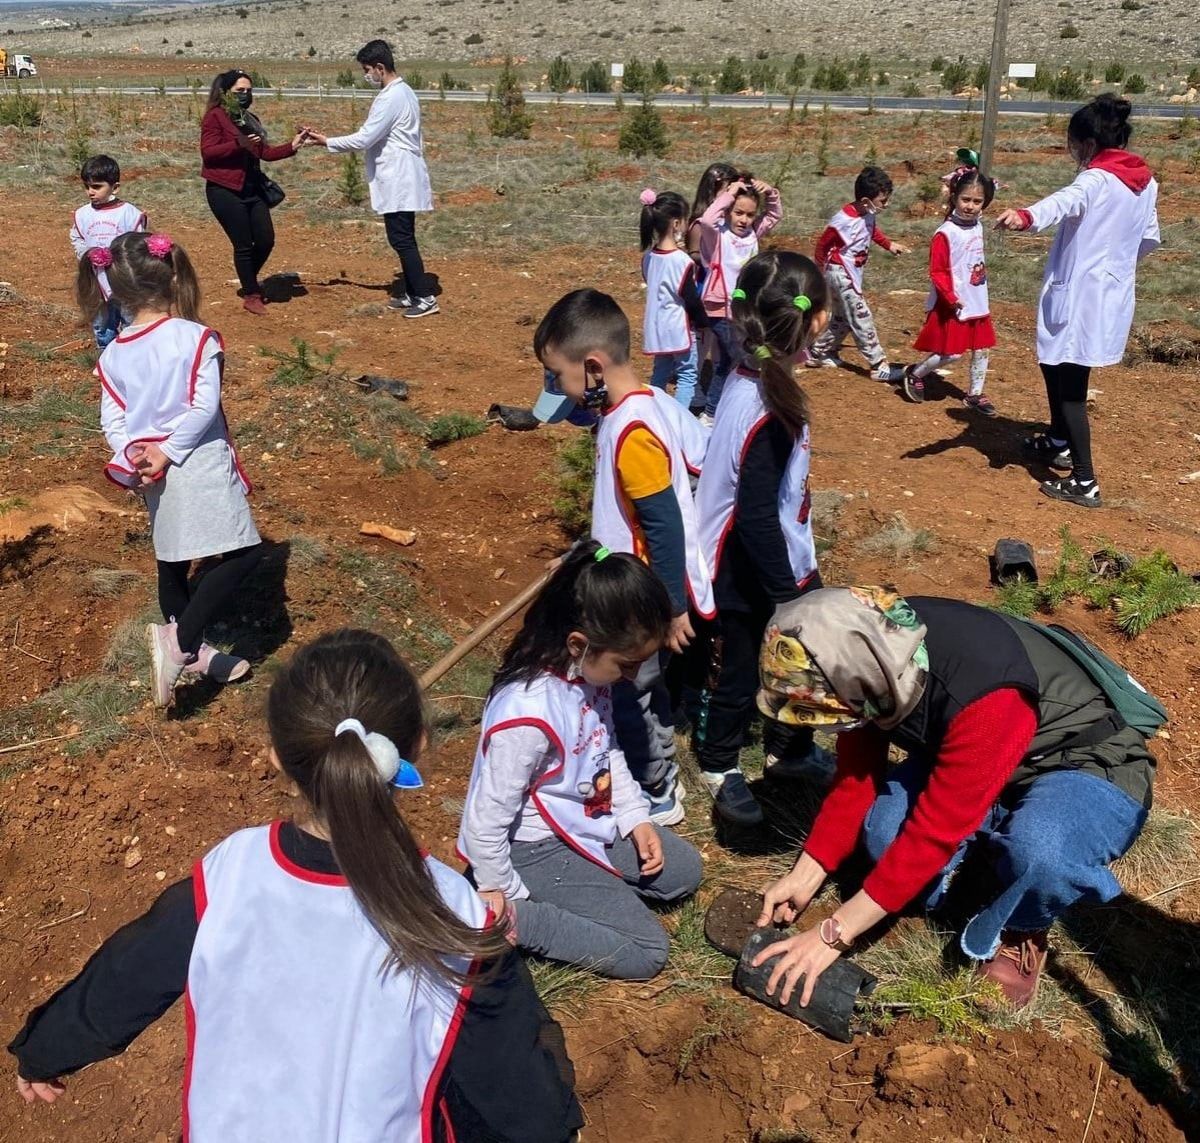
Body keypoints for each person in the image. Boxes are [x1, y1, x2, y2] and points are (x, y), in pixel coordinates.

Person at [10, 629, 584, 1143]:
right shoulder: (456, 915)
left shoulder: (227, 878)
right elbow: (519, 1097)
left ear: (276, 760)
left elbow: (124, 979)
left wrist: (43, 1051)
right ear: (420, 749)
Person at [753, 586, 1155, 1009]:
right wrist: (808, 871)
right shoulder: (868, 654)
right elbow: (856, 777)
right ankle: (991, 860)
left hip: (1081, 759)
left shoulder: (984, 691)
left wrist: (833, 933)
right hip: (985, 758)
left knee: (1042, 854)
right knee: (883, 836)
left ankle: (1021, 926)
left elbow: (933, 832)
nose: (831, 727)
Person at [457, 544, 704, 980]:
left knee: (685, 871)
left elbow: (604, 749)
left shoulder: (587, 675)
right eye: (627, 665)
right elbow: (486, 819)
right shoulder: (528, 715)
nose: (631, 676)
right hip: (532, 848)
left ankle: (593, 884)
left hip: (585, 817)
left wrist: (635, 818)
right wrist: (503, 887)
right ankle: (517, 920)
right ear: (578, 643)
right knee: (646, 952)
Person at [531, 289, 712, 824]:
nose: (555, 387)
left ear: (592, 368)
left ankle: (657, 791)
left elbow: (663, 522)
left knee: (636, 696)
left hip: (638, 598)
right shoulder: (645, 404)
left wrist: (673, 606)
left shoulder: (633, 432)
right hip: (630, 581)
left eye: (558, 375)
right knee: (636, 688)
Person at [88, 232, 263, 703]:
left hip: (151, 468)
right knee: (244, 554)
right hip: (195, 459)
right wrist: (168, 452)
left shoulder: (113, 353)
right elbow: (205, 405)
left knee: (173, 561)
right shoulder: (196, 337)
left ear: (117, 291)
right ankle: (181, 642)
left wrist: (135, 455)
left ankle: (194, 650)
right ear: (173, 278)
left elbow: (113, 418)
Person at [691, 251, 832, 828]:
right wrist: (788, 595)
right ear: (815, 322)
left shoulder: (748, 376)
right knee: (741, 666)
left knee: (802, 660)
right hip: (743, 565)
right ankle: (720, 763)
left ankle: (790, 749)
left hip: (778, 553)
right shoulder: (770, 406)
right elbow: (752, 515)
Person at [996, 94, 1160, 509]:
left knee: (1070, 384)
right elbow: (1149, 240)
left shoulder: (1095, 179)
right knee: (1053, 362)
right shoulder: (1146, 182)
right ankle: (1057, 440)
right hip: (1109, 294)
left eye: (1072, 143)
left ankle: (1084, 480)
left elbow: (1062, 202)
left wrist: (1026, 216)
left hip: (1081, 296)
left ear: (1087, 143)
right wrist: (1115, 269)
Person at [302, 40, 438, 319]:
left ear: (380, 67)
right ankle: (414, 292)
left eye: (367, 70)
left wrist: (326, 141)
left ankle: (425, 298)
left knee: (402, 239)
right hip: (402, 172)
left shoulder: (391, 97)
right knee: (402, 236)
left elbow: (365, 137)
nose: (367, 75)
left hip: (399, 174)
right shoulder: (405, 92)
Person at [200, 69, 304, 316]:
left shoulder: (248, 118)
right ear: (225, 93)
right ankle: (251, 293)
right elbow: (208, 152)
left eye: (248, 90)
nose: (245, 95)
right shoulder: (215, 117)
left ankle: (248, 278)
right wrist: (238, 144)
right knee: (244, 244)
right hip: (224, 189)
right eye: (239, 91)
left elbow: (263, 153)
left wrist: (293, 146)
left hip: (251, 187)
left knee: (266, 239)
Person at [903, 166, 999, 412]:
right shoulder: (945, 233)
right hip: (953, 302)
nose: (970, 206)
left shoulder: (977, 226)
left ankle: (975, 394)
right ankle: (916, 373)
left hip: (976, 299)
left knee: (981, 348)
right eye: (965, 199)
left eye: (977, 201)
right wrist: (951, 297)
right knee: (952, 353)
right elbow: (938, 271)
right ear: (954, 197)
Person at [808, 165, 909, 382]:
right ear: (866, 200)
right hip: (839, 273)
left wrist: (889, 245)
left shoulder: (867, 214)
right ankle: (878, 364)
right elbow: (823, 245)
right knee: (862, 316)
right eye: (883, 201)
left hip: (850, 272)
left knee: (844, 317)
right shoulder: (843, 221)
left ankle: (819, 352)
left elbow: (871, 230)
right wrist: (818, 271)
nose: (886, 204)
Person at [696, 173, 783, 422]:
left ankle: (720, 410)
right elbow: (706, 219)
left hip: (745, 308)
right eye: (738, 213)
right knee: (738, 355)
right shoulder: (718, 236)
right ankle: (715, 413)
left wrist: (771, 193)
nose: (744, 220)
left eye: (749, 214)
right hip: (720, 307)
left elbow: (775, 215)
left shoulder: (754, 233)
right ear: (728, 212)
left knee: (729, 360)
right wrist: (730, 193)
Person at [70, 155, 147, 349]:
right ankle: (106, 359)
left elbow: (139, 242)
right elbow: (77, 237)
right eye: (87, 186)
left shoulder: (129, 213)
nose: (90, 192)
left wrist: (124, 259)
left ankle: (132, 357)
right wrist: (87, 253)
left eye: (96, 187)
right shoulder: (83, 214)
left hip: (124, 279)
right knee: (102, 324)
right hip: (95, 279)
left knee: (131, 319)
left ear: (115, 187)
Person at [639, 188, 702, 412]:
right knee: (687, 374)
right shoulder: (681, 261)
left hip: (656, 327)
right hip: (678, 326)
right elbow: (690, 298)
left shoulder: (648, 258)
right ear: (676, 224)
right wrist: (704, 321)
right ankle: (680, 417)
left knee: (660, 372)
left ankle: (655, 413)